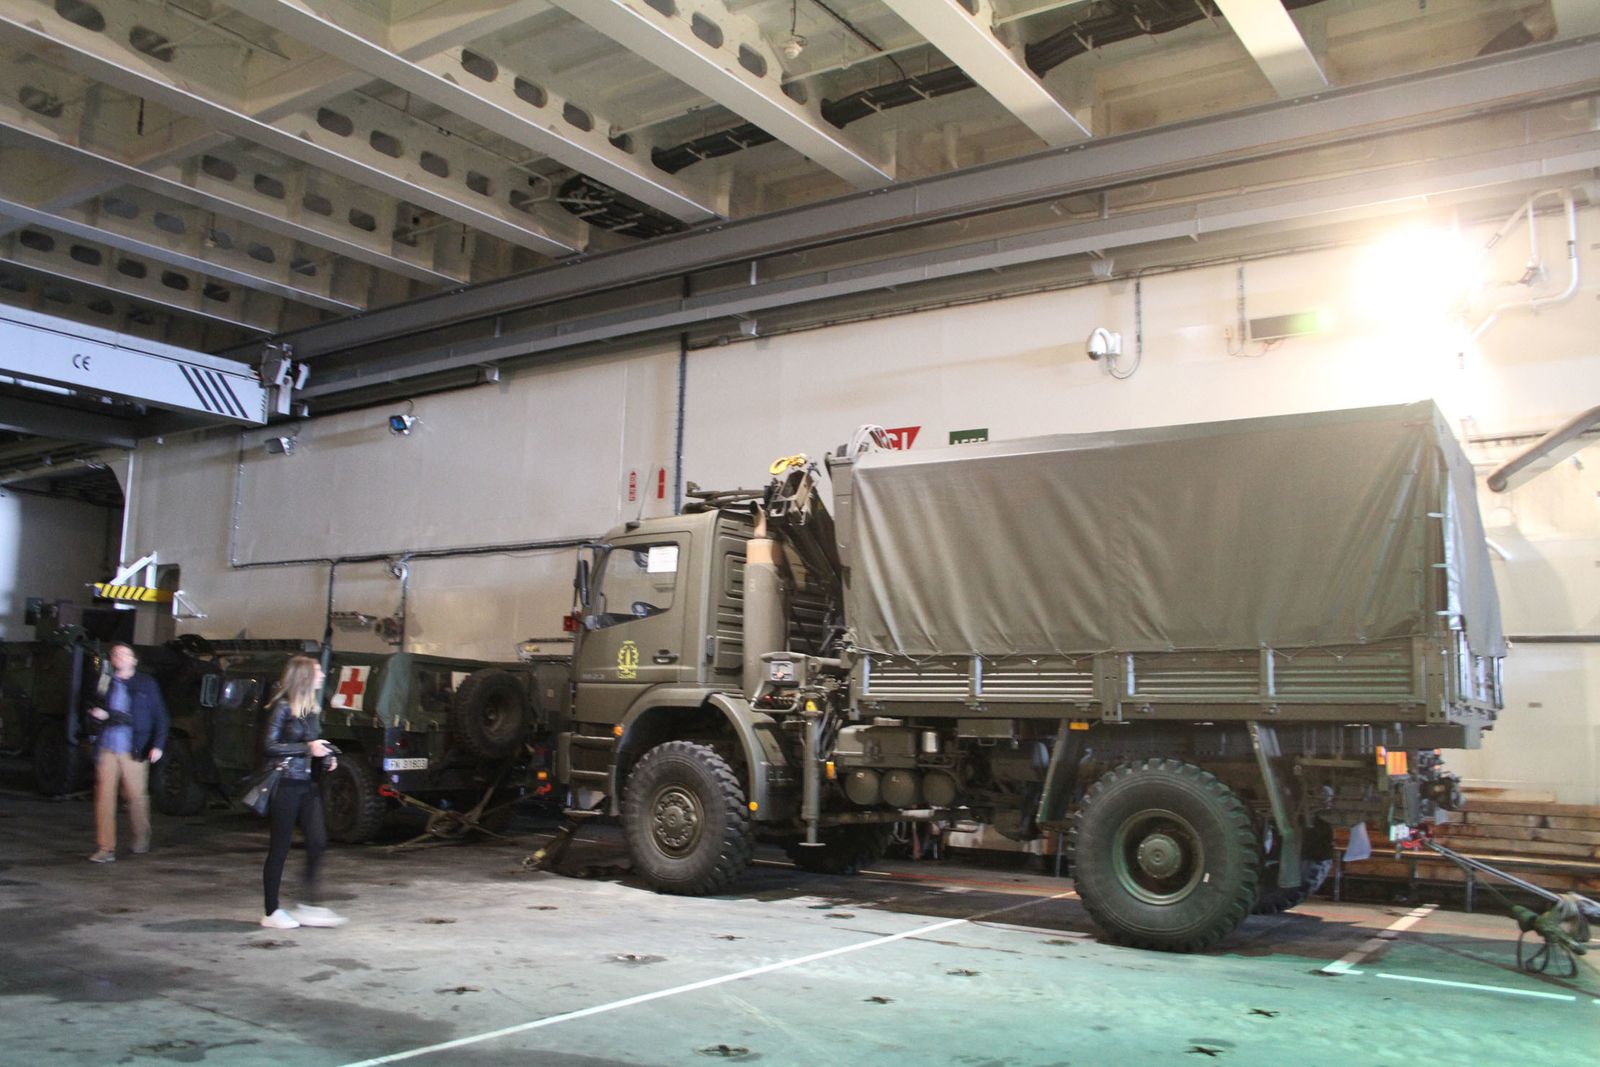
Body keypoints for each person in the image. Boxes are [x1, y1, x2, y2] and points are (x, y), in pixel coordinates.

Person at [259, 654, 348, 930]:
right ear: (305, 677)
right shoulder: (283, 707)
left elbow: (313, 743)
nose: (322, 676)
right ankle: (271, 911)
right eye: (318, 672)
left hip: (307, 785)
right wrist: (306, 749)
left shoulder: (311, 710)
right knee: (280, 848)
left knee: (318, 842)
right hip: (285, 784)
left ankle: (308, 904)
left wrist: (327, 755)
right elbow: (270, 746)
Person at [86, 642, 168, 863]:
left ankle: (141, 838)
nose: (119, 657)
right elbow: (94, 706)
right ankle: (105, 848)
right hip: (107, 747)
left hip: (133, 747)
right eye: (115, 654)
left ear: (134, 661)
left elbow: (161, 716)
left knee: (135, 796)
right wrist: (94, 716)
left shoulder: (146, 684)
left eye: (124, 654)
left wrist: (158, 745)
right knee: (104, 797)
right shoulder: (105, 682)